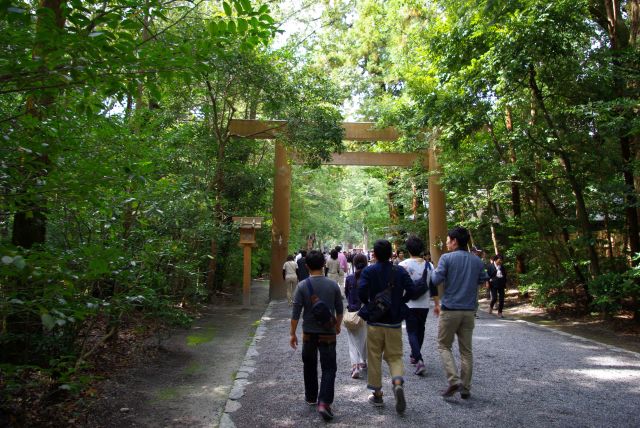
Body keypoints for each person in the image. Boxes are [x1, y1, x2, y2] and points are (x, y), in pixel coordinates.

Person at [358, 239, 426, 413]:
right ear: (391, 254)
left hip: (375, 321)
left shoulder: (368, 271)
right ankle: (397, 381)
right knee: (395, 356)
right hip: (394, 321)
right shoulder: (400, 271)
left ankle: (378, 395)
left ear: (374, 253)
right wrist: (400, 301)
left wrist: (370, 303)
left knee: (374, 356)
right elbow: (411, 290)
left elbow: (361, 292)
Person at [430, 226, 489, 400]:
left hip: (450, 309)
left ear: (455, 241)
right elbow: (483, 280)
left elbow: (435, 279)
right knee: (466, 350)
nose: (447, 243)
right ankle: (465, 387)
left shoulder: (446, 258)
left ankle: (454, 379)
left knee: (443, 345)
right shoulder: (476, 261)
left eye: (448, 240)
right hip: (469, 310)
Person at [290, 250, 344, 421]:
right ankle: (324, 402)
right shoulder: (332, 285)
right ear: (323, 265)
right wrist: (337, 325)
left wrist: (292, 333)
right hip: (328, 333)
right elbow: (340, 309)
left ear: (306, 266)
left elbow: (296, 312)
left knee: (309, 364)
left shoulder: (302, 286)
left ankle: (311, 396)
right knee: (329, 368)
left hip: (309, 333)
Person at [399, 236, 438, 376]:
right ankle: (415, 355)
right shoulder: (429, 265)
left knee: (411, 332)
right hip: (424, 303)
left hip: (409, 303)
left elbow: (398, 286)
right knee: (421, 329)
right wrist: (437, 303)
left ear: (408, 249)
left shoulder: (403, 265)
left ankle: (418, 358)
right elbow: (433, 286)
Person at [344, 253, 369, 379]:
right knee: (364, 339)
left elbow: (346, 294)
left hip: (352, 313)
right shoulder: (369, 278)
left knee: (352, 341)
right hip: (365, 313)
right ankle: (363, 361)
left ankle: (355, 366)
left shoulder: (349, 279)